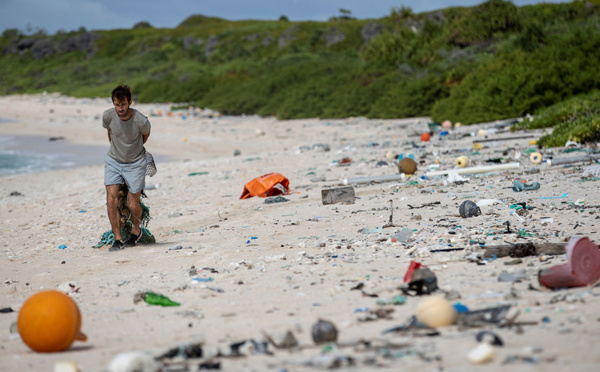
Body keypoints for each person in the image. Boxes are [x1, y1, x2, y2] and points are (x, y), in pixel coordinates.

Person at [102, 85, 151, 251]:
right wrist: (119, 150)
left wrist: (133, 149)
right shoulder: (108, 116)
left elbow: (146, 134)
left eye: (123, 104)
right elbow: (110, 132)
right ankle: (117, 238)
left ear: (129, 102)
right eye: (117, 104)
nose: (120, 109)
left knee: (132, 203)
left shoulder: (140, 120)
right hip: (114, 160)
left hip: (136, 162)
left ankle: (135, 232)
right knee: (111, 199)